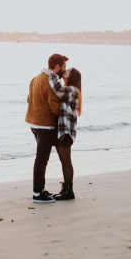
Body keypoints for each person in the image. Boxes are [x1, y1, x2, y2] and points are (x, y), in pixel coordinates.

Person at [25, 53, 68, 203]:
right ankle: (37, 193)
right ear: (56, 67)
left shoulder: (35, 78)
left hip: (33, 123)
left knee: (41, 159)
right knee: (41, 160)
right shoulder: (52, 79)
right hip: (45, 126)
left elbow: (28, 99)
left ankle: (40, 189)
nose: (64, 69)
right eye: (63, 66)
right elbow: (55, 107)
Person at [46, 67, 82, 200]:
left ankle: (69, 191)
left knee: (66, 162)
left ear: (71, 76)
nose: (65, 71)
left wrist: (51, 74)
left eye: (68, 71)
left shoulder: (72, 90)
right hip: (65, 132)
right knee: (64, 161)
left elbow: (57, 91)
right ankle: (66, 189)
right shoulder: (72, 90)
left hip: (66, 133)